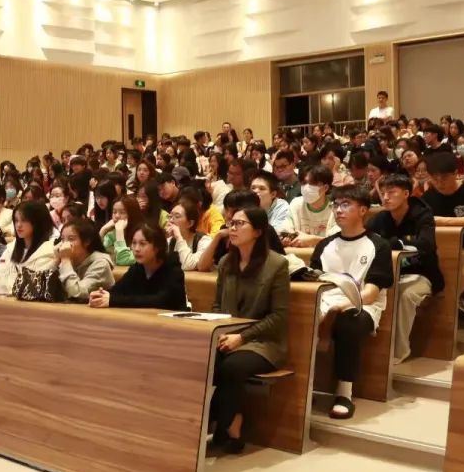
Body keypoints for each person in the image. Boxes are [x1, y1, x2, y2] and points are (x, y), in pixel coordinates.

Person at [210, 206, 291, 453]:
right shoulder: (226, 262)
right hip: (227, 336)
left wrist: (242, 337)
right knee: (201, 361)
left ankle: (226, 426)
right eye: (231, 223)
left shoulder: (277, 264)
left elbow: (278, 316)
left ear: (257, 231)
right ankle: (224, 423)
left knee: (231, 367)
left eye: (240, 224)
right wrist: (221, 331)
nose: (232, 229)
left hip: (264, 342)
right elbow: (217, 305)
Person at [311, 186, 395, 419]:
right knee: (298, 315)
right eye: (336, 205)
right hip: (326, 300)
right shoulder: (324, 245)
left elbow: (370, 293)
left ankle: (344, 394)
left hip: (362, 306)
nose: (339, 210)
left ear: (363, 210)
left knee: (349, 321)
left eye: (346, 204)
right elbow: (312, 282)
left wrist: (342, 306)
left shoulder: (378, 245)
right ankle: (303, 385)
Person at [367, 174, 445, 363]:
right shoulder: (380, 218)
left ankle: (399, 350)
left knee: (404, 295)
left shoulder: (422, 215)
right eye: (383, 193)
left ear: (406, 194)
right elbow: (364, 238)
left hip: (422, 274)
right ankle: (374, 349)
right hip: (391, 273)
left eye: (391, 192)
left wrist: (398, 243)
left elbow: (426, 244)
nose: (386, 197)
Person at [423, 151, 464, 330]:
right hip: (440, 251)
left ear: (456, 173)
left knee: (462, 268)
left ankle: (443, 311)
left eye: (444, 178)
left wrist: (441, 221)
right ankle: (460, 309)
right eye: (434, 179)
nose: (439, 183)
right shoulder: (428, 197)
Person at [89, 225, 187, 310]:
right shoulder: (137, 268)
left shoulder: (173, 268)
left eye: (142, 244)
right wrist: (100, 296)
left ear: (157, 247)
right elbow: (117, 291)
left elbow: (161, 300)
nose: (136, 249)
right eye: (134, 243)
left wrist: (113, 300)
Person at [0, 201, 58, 295]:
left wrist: (4, 288)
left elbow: (32, 288)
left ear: (37, 222)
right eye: (16, 220)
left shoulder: (50, 250)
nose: (18, 225)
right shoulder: (11, 249)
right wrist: (11, 288)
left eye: (24, 220)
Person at [56, 218, 115, 302]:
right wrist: (55, 261)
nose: (64, 244)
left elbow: (76, 293)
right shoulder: (69, 259)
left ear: (87, 241)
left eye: (71, 239)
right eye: (62, 239)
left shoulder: (101, 264)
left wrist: (65, 261)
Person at [285, 165, 338, 247]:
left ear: (325, 188)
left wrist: (314, 240)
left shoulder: (336, 208)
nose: (306, 187)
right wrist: (286, 238)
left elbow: (339, 241)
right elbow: (287, 229)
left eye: (312, 183)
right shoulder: (296, 203)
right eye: (304, 183)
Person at [166, 198, 212, 271]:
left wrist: (179, 237)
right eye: (170, 216)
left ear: (190, 223)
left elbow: (187, 265)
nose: (171, 220)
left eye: (177, 216)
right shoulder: (169, 241)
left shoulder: (204, 241)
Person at [99, 195, 142, 267]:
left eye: (122, 212)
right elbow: (98, 255)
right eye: (114, 212)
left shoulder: (142, 234)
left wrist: (120, 233)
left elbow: (123, 260)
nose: (117, 216)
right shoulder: (112, 233)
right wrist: (102, 231)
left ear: (132, 214)